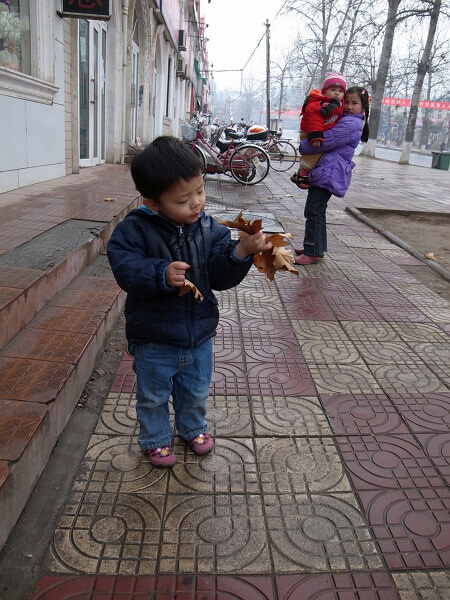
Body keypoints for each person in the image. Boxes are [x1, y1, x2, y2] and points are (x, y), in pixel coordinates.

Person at [107, 136, 272, 467]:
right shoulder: (133, 231)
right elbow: (125, 268)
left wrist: (241, 252)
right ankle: (155, 438)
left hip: (198, 335)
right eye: (184, 199)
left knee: (195, 390)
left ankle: (192, 427)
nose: (197, 203)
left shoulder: (209, 229)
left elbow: (220, 276)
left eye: (200, 191)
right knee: (153, 395)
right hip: (153, 337)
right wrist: (160, 274)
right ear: (153, 202)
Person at [294, 86, 370, 264]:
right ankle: (315, 248)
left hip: (330, 172)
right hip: (329, 170)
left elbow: (325, 141)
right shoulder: (346, 119)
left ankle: (312, 251)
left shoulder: (350, 124)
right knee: (318, 211)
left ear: (364, 108)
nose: (349, 106)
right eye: (348, 102)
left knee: (313, 210)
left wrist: (304, 145)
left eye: (355, 103)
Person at [291, 73, 347, 190]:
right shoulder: (320, 103)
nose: (337, 93)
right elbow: (314, 119)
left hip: (319, 132)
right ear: (325, 91)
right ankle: (302, 176)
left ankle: (298, 174)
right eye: (333, 89)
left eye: (340, 91)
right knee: (314, 155)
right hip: (310, 132)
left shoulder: (338, 104)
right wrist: (316, 136)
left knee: (316, 154)